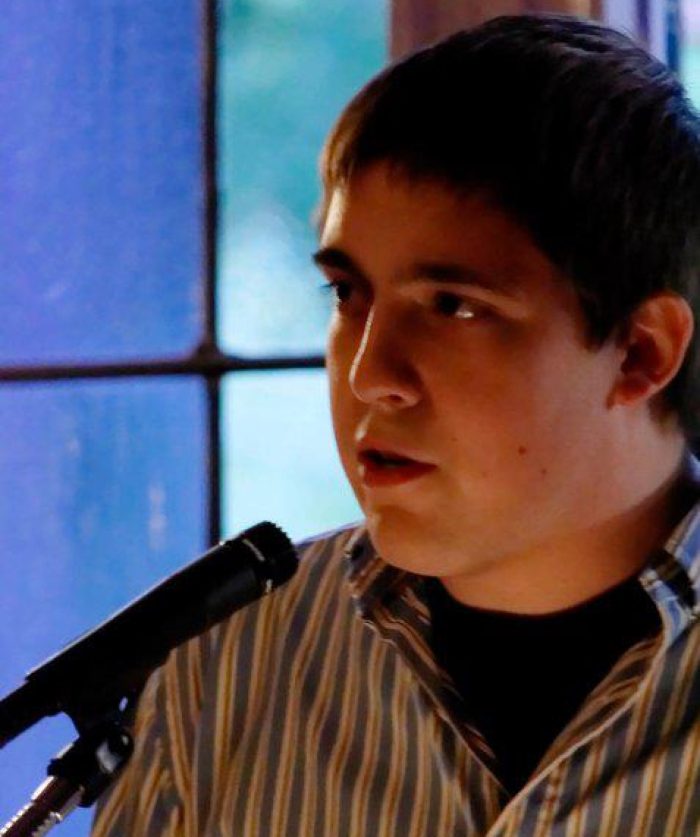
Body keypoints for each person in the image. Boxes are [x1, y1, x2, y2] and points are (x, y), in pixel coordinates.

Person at [92, 14, 700, 836]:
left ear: (640, 351)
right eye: (348, 294)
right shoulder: (225, 663)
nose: (369, 375)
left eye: (453, 306)